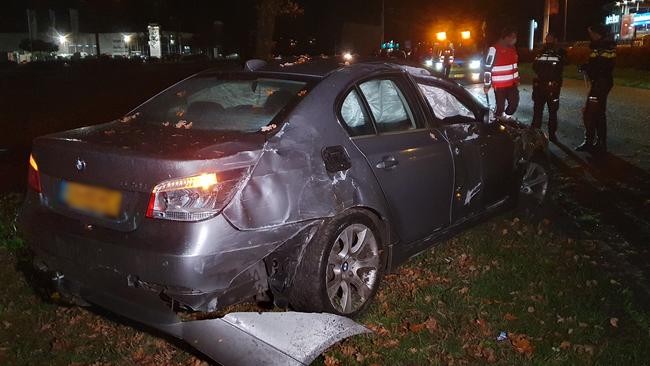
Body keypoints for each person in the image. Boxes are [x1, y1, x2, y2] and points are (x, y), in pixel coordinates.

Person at [575, 24, 616, 153]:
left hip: (601, 83)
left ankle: (593, 142)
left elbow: (603, 66)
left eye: (591, 33)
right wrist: (586, 66)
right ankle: (597, 142)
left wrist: (589, 68)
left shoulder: (605, 47)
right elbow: (595, 63)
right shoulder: (598, 46)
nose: (590, 35)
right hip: (599, 82)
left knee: (591, 112)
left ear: (596, 33)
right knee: (596, 112)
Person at [531, 32, 566, 142]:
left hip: (553, 86)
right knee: (538, 111)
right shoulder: (541, 52)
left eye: (550, 38)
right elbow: (535, 66)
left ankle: (552, 134)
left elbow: (563, 65)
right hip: (540, 85)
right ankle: (535, 134)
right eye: (547, 39)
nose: (548, 40)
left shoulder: (560, 52)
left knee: (552, 111)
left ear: (555, 39)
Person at [484, 27, 520, 121]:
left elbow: (514, 66)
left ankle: (506, 117)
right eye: (513, 37)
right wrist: (487, 85)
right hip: (500, 86)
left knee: (513, 104)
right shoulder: (494, 49)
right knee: (500, 108)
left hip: (512, 84)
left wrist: (517, 80)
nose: (514, 39)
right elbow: (487, 68)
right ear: (506, 37)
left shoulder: (512, 49)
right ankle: (497, 122)